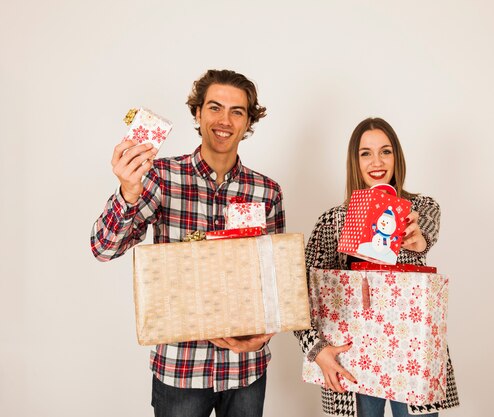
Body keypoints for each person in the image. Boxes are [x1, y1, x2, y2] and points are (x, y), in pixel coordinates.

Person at [90, 69, 285, 417]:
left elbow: (275, 279)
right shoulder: (160, 177)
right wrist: (128, 192)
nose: (224, 120)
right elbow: (104, 248)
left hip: (247, 369)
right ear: (197, 113)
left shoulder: (267, 192)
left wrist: (267, 332)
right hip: (180, 367)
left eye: (237, 111)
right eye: (214, 107)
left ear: (248, 122)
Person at [295, 117, 460, 417]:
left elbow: (426, 235)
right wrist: (317, 350)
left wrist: (416, 239)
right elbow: (299, 295)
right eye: (365, 153)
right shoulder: (332, 222)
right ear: (354, 161)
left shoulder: (419, 209)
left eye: (385, 151)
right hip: (351, 358)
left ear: (397, 157)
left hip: (412, 354)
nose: (377, 162)